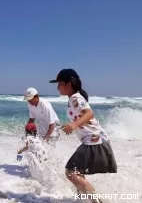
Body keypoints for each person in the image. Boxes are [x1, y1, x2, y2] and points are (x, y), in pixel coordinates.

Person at [49, 69, 117, 203]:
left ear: (69, 84)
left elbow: (89, 113)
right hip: (94, 140)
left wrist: (74, 125)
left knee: (71, 172)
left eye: (60, 84)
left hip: (94, 141)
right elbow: (83, 117)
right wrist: (70, 125)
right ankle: (85, 200)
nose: (57, 87)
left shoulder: (76, 97)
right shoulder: (75, 98)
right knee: (76, 173)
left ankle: (97, 202)